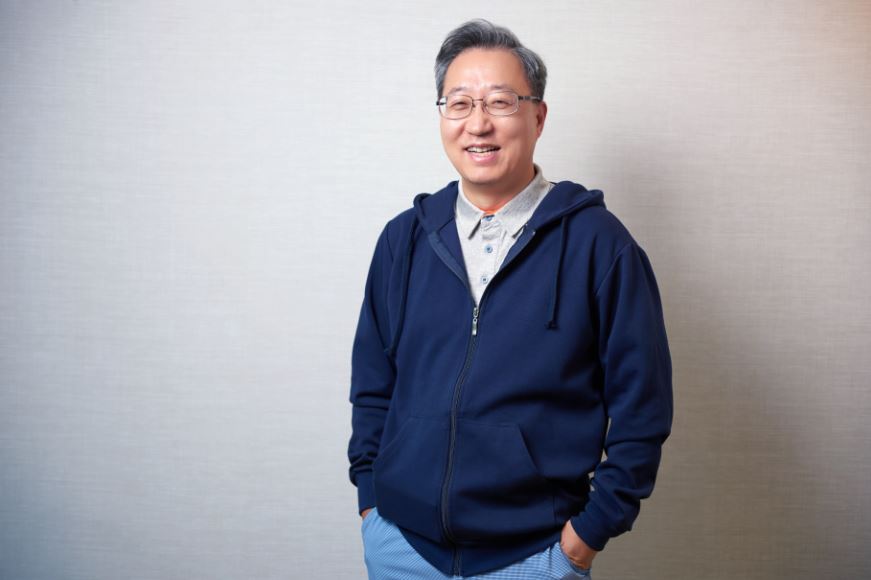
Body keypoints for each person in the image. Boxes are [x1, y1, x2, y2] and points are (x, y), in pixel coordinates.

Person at [347, 18, 673, 579]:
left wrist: (585, 538)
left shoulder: (599, 244)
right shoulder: (403, 240)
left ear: (537, 117)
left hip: (533, 557)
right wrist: (371, 501)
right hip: (401, 548)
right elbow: (373, 384)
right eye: (459, 103)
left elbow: (643, 407)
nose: (478, 123)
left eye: (500, 102)